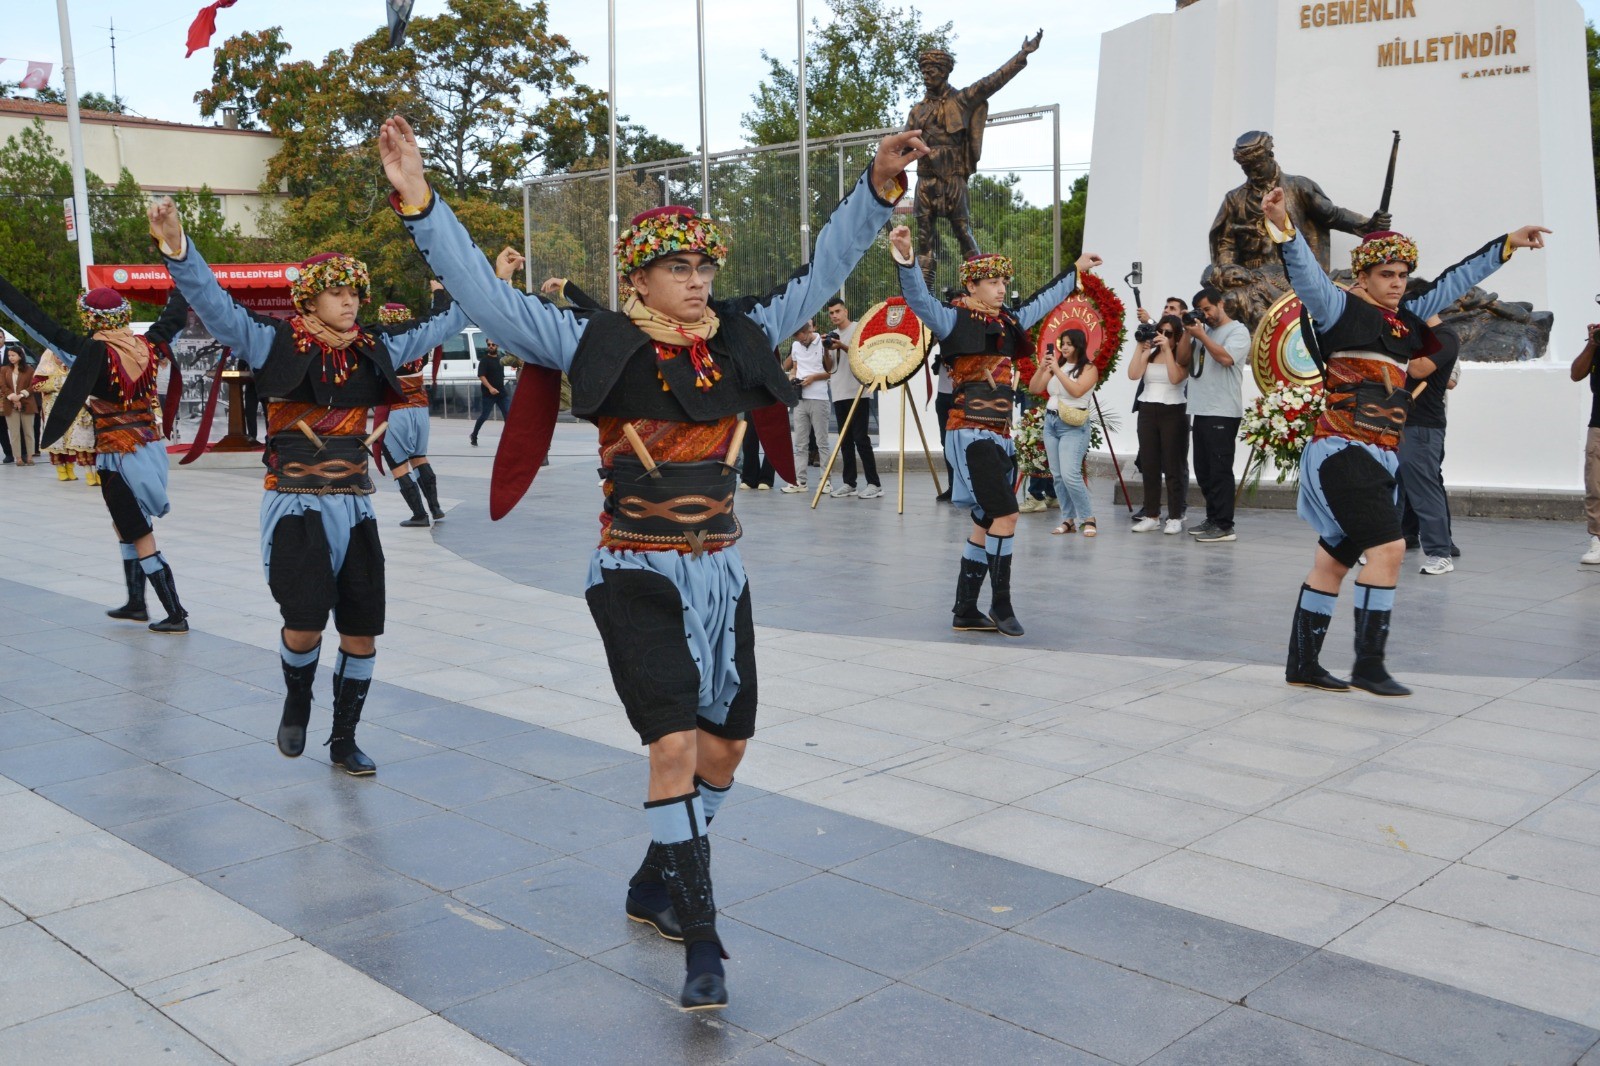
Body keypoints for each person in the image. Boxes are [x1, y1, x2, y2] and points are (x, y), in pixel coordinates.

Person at [380, 112, 926, 1011]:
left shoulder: (740, 335)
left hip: (722, 570)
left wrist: (873, 189)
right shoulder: (591, 341)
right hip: (633, 570)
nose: (700, 279)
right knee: (671, 744)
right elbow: (484, 297)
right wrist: (419, 199)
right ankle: (701, 942)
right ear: (640, 275)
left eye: (705, 265)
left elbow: (824, 270)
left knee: (727, 746)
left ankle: (651, 878)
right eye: (682, 267)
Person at [148, 196, 468, 774]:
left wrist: (485, 283)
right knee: (303, 623)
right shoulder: (273, 343)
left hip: (358, 506)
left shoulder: (376, 349)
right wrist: (178, 247)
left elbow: (443, 324)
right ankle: (298, 698)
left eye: (355, 293)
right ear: (310, 298)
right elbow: (214, 305)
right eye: (337, 292)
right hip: (295, 503)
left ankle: (343, 739)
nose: (350, 302)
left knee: (364, 632)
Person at [1265, 184, 1548, 695]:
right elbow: (1305, 272)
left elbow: (1456, 280)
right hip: (1342, 451)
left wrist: (1506, 243)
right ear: (1365, 278)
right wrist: (1284, 225)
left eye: (1401, 276)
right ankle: (1369, 666)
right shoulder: (1337, 310)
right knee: (1391, 549)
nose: (1396, 284)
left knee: (1332, 561)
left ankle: (1302, 666)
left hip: (1381, 456)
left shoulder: (1406, 323)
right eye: (1386, 276)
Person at [891, 227, 1102, 637]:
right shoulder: (951, 317)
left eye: (1005, 281)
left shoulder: (1009, 321)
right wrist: (906, 258)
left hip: (1000, 434)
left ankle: (965, 609)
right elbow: (918, 298)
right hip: (969, 433)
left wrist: (1074, 271)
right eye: (993, 281)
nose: (1002, 288)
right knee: (1006, 514)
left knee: (985, 520)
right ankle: (1001, 606)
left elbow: (1042, 301)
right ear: (972, 284)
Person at [0, 281, 191, 631]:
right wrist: (180, 277)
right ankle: (136, 602)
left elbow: (35, 319)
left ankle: (175, 613)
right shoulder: (149, 344)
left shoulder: (90, 352)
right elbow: (175, 315)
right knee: (123, 525)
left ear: (90, 318)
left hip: (119, 454)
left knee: (138, 531)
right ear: (122, 315)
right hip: (147, 448)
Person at [374, 286, 455, 527]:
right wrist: (438, 293)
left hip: (395, 412)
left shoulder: (386, 347)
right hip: (420, 409)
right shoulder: (421, 348)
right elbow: (436, 320)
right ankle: (436, 507)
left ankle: (419, 514)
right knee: (419, 457)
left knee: (398, 464)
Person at [1182, 285, 1250, 542]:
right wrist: (1189, 335)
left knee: (1220, 470)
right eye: (1200, 311)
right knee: (1203, 469)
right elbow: (1182, 360)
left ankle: (1224, 525)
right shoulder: (1204, 331)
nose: (1205, 315)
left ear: (1221, 303)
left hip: (1222, 411)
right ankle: (1212, 518)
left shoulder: (1238, 331)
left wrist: (1203, 336)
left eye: (1208, 309)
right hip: (1200, 408)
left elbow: (1225, 359)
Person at [1398, 316, 1461, 574]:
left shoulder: (1445, 336)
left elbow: (1417, 370)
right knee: (1391, 487)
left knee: (1424, 488)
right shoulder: (1408, 332)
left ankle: (1439, 553)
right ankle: (1387, 546)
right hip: (1395, 421)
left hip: (1422, 424)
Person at [1030, 329, 1098, 537]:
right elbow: (1034, 388)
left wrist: (1058, 372)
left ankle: (1088, 517)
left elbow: (1077, 391)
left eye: (1069, 343)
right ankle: (1068, 519)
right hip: (1051, 423)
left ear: (1079, 345)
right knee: (1058, 476)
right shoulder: (1056, 366)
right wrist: (1042, 369)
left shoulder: (1089, 368)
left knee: (1070, 475)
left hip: (1073, 426)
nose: (1065, 347)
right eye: (1063, 343)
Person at [1127, 315, 1190, 534]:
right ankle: (1152, 514)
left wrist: (1166, 351)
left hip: (1173, 410)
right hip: (1147, 408)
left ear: (1177, 336)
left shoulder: (1181, 356)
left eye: (1169, 333)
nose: (1163, 337)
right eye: (1160, 332)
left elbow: (1175, 378)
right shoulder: (1151, 353)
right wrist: (1140, 348)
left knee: (1173, 465)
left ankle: (1175, 516)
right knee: (1150, 464)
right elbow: (1133, 374)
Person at [823, 298, 881, 499]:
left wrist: (843, 346)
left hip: (858, 392)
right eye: (831, 313)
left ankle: (874, 483)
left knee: (861, 439)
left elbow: (864, 355)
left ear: (846, 311)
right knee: (845, 441)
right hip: (839, 392)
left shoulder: (858, 329)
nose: (834, 316)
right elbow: (828, 368)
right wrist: (826, 349)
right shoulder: (833, 337)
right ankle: (849, 483)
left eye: (837, 311)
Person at [780, 320, 833, 494]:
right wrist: (792, 377)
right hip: (800, 397)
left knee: (822, 441)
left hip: (819, 397)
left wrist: (813, 378)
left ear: (809, 330)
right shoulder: (796, 345)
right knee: (800, 442)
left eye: (802, 337)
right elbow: (794, 367)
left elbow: (830, 371)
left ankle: (826, 480)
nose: (801, 341)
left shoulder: (823, 342)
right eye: (797, 338)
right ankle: (799, 481)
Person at [33, 349, 98, 483]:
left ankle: (70, 467)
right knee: (56, 438)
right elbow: (35, 385)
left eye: (63, 356)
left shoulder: (74, 369)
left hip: (72, 408)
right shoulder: (46, 369)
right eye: (57, 356)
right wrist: (55, 384)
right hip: (52, 407)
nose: (60, 359)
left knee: (72, 438)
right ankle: (60, 468)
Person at [1572, 320, 1600, 565]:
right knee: (1595, 486)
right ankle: (1598, 539)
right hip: (1599, 424)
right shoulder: (1597, 344)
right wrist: (1592, 345)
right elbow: (1576, 374)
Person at [0, 344, 39, 465]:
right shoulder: (4, 369)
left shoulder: (30, 369)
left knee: (28, 431)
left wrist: (21, 395)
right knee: (14, 432)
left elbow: (33, 386)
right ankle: (18, 458)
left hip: (27, 403)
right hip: (10, 404)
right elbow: (3, 386)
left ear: (20, 356)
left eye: (13, 355)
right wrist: (13, 397)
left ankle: (30, 457)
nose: (11, 358)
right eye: (9, 355)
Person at [470, 341, 510, 446]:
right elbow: (481, 376)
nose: (491, 346)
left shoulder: (501, 359)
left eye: (493, 345)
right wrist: (490, 388)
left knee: (508, 415)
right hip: (489, 394)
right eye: (489, 345)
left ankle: (508, 439)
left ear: (497, 346)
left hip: (501, 393)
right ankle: (474, 435)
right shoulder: (484, 360)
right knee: (484, 416)